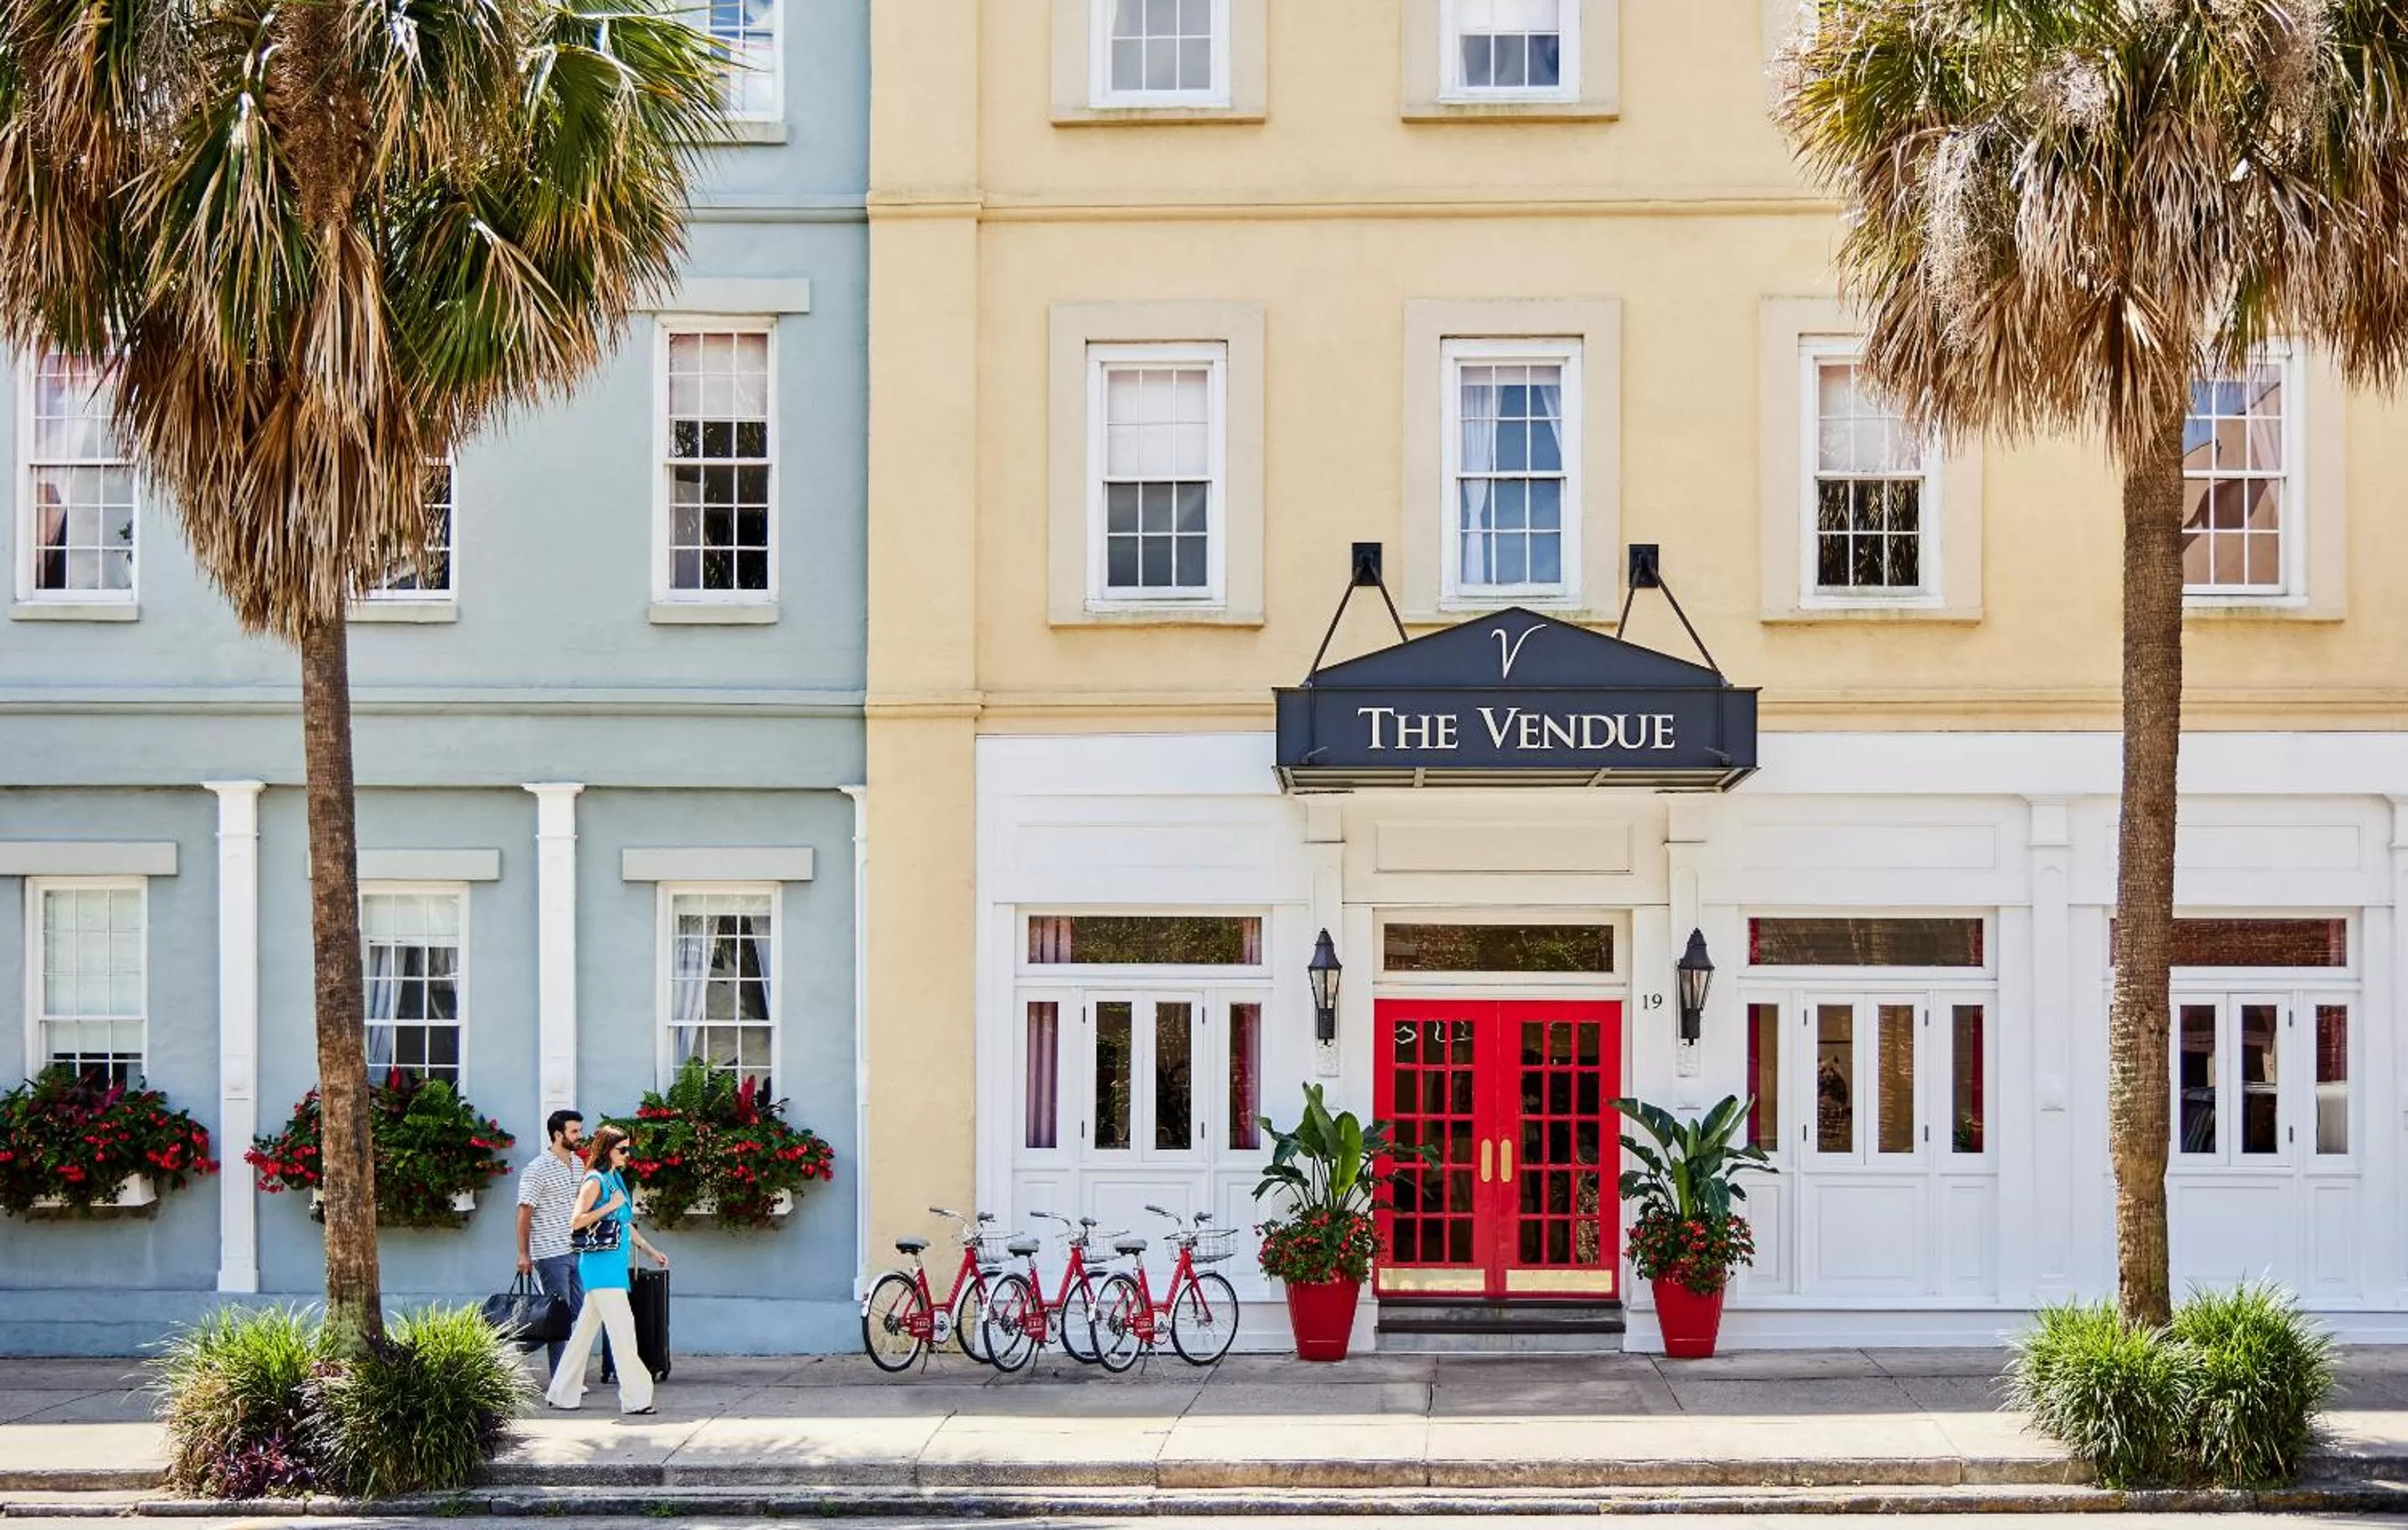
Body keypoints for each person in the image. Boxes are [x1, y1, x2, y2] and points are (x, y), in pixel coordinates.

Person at [543, 1124, 668, 1415]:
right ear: (607, 1150)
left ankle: (562, 1393)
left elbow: (624, 1226)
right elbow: (576, 1221)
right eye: (622, 1149)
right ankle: (637, 1399)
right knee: (624, 1333)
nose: (627, 1154)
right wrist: (608, 1205)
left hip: (613, 1267)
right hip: (600, 1269)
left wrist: (650, 1251)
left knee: (583, 1334)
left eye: (628, 1149)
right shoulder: (595, 1180)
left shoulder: (616, 1178)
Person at [514, 1109, 589, 1384]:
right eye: (574, 1131)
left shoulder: (578, 1164)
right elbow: (524, 1213)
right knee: (559, 1317)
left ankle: (565, 1370)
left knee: (578, 1311)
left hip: (576, 1250)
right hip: (550, 1253)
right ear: (558, 1134)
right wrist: (524, 1254)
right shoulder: (537, 1169)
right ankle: (563, 1381)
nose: (579, 1136)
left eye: (579, 1130)